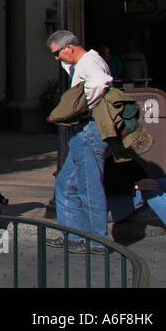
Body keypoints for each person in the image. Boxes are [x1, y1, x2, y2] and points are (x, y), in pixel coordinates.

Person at [48, 29, 114, 253]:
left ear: (69, 47)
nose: (56, 58)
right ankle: (73, 236)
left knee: (89, 187)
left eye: (57, 53)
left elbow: (100, 81)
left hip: (89, 130)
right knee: (65, 183)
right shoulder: (81, 63)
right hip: (84, 132)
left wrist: (80, 105)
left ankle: (97, 241)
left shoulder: (88, 62)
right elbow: (74, 69)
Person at [106, 153, 166, 250]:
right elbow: (102, 189)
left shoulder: (121, 157)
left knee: (163, 182)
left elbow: (142, 176)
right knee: (151, 189)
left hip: (124, 201)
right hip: (107, 208)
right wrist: (135, 186)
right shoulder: (97, 159)